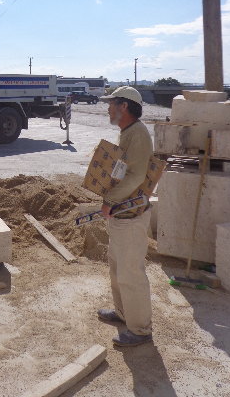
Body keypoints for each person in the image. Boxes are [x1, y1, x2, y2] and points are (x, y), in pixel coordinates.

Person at [97, 86, 153, 347]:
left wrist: (109, 200)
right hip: (122, 214)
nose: (108, 108)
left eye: (112, 104)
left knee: (131, 273)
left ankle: (140, 329)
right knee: (117, 269)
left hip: (130, 217)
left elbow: (136, 176)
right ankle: (123, 313)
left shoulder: (138, 134)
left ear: (124, 106)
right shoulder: (128, 132)